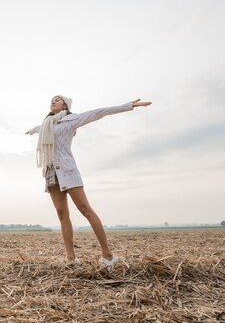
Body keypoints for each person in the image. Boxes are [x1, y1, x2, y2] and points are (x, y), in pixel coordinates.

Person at [26, 95, 152, 266]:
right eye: (52, 99)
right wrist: (30, 130)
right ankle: (71, 259)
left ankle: (108, 256)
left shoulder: (72, 119)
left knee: (86, 209)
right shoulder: (46, 125)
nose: (53, 101)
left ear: (65, 105)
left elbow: (99, 113)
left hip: (68, 171)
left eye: (58, 99)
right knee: (62, 214)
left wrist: (129, 105)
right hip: (50, 172)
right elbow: (37, 129)